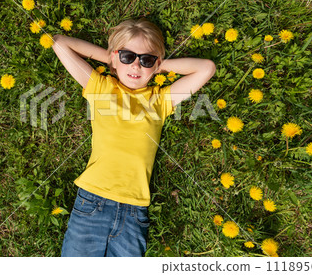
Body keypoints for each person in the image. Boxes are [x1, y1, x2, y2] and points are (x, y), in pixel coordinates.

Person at [52, 18, 216, 257]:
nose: (136, 66)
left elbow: (206, 68)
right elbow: (59, 43)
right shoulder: (101, 87)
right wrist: (111, 57)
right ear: (115, 59)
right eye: (128, 56)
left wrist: (160, 65)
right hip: (92, 200)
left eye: (146, 60)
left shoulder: (160, 100)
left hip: (134, 209)